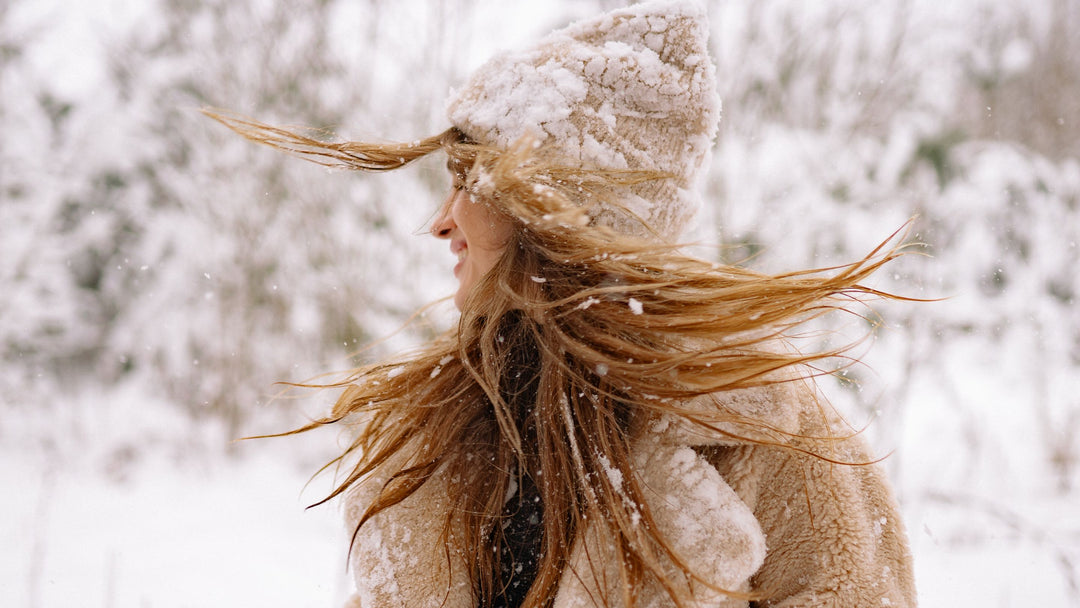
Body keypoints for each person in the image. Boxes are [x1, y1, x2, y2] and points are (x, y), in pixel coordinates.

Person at [207, 1, 917, 606]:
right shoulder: (434, 440)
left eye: (471, 184)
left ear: (565, 210)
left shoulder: (771, 436)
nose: (441, 220)